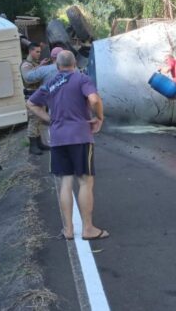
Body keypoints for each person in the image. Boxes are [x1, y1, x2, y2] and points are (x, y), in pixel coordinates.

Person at [26, 50, 109, 241]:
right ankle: (88, 229)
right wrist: (99, 117)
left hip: (58, 138)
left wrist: (49, 118)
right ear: (75, 64)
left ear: (57, 66)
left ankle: (69, 230)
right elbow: (94, 99)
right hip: (80, 136)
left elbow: (31, 103)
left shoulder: (50, 83)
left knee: (66, 182)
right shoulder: (82, 79)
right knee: (85, 182)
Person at [20, 42, 50, 155]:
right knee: (33, 120)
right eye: (37, 51)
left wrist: (40, 65)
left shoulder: (34, 63)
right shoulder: (25, 65)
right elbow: (29, 79)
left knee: (38, 121)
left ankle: (39, 143)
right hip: (31, 95)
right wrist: (41, 67)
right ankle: (32, 147)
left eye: (40, 52)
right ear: (30, 51)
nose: (39, 54)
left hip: (38, 95)